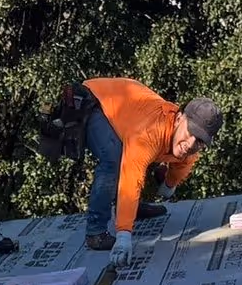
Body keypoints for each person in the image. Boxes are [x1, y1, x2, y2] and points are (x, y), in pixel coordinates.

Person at [79, 80, 222, 256]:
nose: (191, 143)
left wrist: (168, 186)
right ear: (179, 119)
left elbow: (184, 164)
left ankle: (134, 208)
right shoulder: (151, 133)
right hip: (97, 100)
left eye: (199, 140)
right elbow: (131, 177)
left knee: (136, 156)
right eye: (191, 133)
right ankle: (96, 233)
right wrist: (124, 235)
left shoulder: (189, 146)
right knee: (114, 159)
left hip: (128, 113)